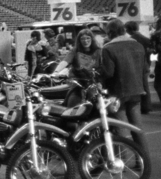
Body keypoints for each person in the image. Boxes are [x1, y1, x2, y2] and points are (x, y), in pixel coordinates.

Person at [99, 19, 150, 154]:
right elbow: (145, 69)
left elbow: (109, 73)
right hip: (137, 90)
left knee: (119, 128)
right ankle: (143, 160)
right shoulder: (138, 45)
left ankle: (121, 161)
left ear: (109, 32)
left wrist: (99, 74)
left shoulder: (108, 48)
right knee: (137, 127)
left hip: (117, 92)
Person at [52, 29, 101, 107]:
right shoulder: (74, 51)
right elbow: (65, 61)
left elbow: (104, 67)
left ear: (92, 39)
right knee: (73, 105)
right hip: (77, 85)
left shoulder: (98, 51)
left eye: (88, 38)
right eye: (83, 39)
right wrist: (56, 72)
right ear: (79, 40)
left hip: (94, 85)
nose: (85, 41)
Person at [125, 21, 152, 114]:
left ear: (129, 29)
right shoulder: (146, 39)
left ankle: (143, 106)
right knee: (145, 86)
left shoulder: (131, 40)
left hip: (136, 65)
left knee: (140, 86)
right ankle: (146, 106)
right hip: (146, 64)